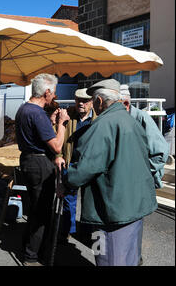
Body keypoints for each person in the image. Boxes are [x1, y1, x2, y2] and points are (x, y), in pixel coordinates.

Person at [63, 79, 157, 266]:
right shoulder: (131, 120)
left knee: (107, 258)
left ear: (98, 101)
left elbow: (85, 169)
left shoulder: (102, 125)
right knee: (130, 258)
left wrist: (66, 178)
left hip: (109, 211)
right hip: (134, 206)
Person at [15, 73, 69, 266]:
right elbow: (56, 146)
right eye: (53, 93)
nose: (54, 97)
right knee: (42, 212)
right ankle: (31, 255)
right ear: (47, 92)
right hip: (39, 164)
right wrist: (61, 125)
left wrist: (52, 123)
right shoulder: (37, 113)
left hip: (29, 161)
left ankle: (27, 247)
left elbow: (37, 135)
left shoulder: (24, 109)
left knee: (35, 207)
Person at [54, 88, 96, 244]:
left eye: (85, 101)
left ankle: (86, 231)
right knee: (68, 199)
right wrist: (59, 156)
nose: (81, 103)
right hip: (71, 163)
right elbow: (55, 136)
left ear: (92, 102)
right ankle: (68, 230)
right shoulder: (67, 115)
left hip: (90, 166)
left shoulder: (97, 119)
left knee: (89, 200)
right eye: (78, 100)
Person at [120, 85, 169, 189]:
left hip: (140, 182)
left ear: (126, 104)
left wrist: (140, 172)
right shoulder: (119, 119)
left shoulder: (141, 118)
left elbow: (161, 152)